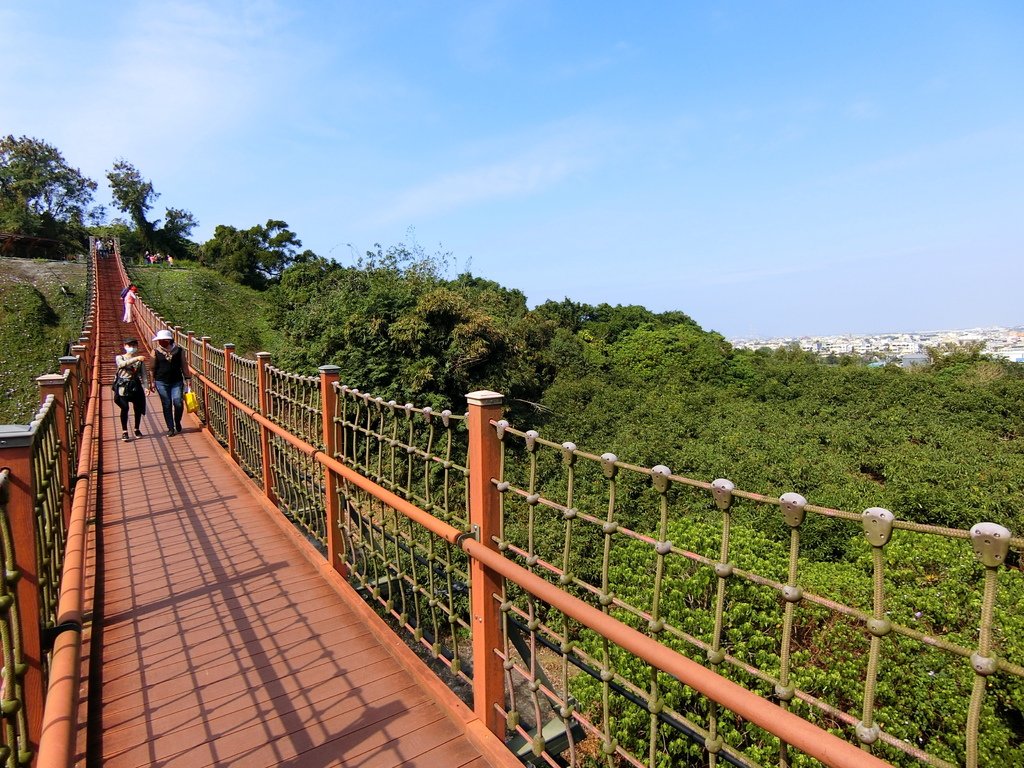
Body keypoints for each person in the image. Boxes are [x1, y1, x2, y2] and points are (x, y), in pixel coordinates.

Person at [149, 328, 191, 436]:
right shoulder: (156, 351)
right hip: (161, 381)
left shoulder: (179, 351)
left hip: (176, 380)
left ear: (168, 340)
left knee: (178, 402)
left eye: (163, 340)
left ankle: (177, 421)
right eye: (159, 340)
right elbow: (152, 368)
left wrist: (187, 378)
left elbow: (184, 365)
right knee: (166, 403)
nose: (160, 342)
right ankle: (170, 427)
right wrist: (152, 382)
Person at [113, 337, 149, 442]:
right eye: (129, 346)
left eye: (134, 346)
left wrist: (146, 387)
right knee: (124, 408)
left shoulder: (140, 361)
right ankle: (124, 431)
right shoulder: (120, 357)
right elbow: (121, 365)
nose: (132, 348)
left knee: (137, 408)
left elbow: (144, 375)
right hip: (123, 385)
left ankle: (136, 428)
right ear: (125, 346)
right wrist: (136, 358)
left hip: (135, 385)